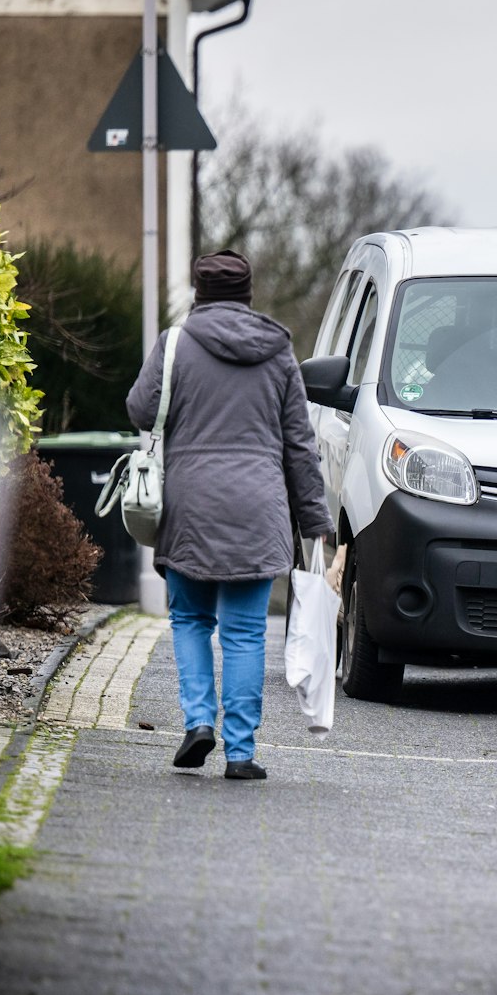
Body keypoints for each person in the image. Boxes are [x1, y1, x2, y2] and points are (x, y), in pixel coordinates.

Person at [127, 250, 332, 780]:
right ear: (247, 294)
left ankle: (199, 721)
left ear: (199, 293)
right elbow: (300, 446)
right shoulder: (278, 350)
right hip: (258, 510)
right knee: (245, 633)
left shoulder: (175, 343)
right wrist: (316, 523)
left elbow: (140, 409)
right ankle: (240, 752)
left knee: (191, 620)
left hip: (190, 506)